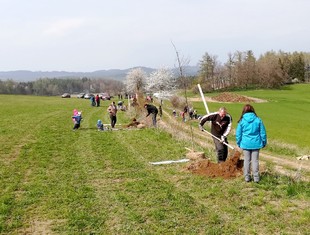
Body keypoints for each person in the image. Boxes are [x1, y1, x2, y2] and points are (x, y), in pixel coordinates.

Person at [236, 104, 267, 183]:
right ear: (253, 110)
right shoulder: (258, 120)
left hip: (245, 144)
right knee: (255, 161)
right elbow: (263, 133)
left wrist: (239, 143)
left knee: (246, 160)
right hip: (256, 143)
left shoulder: (242, 121)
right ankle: (256, 178)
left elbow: (238, 134)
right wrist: (264, 142)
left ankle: (247, 177)